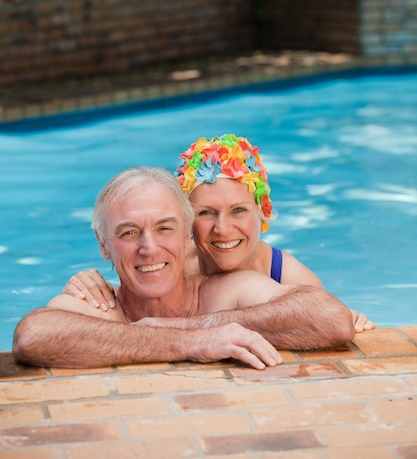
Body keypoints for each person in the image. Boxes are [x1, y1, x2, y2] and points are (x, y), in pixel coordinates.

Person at [13, 165, 355, 370]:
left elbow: (331, 319)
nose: (149, 248)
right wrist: (192, 342)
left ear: (185, 236)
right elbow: (31, 337)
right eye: (129, 232)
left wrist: (194, 324)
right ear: (104, 245)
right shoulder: (99, 305)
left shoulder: (229, 290)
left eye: (165, 228)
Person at [64, 134, 374, 332]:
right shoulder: (171, 259)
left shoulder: (288, 275)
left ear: (263, 213)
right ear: (185, 225)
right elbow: (132, 278)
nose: (222, 229)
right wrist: (91, 282)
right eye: (206, 213)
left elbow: (324, 319)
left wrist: (349, 317)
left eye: (239, 210)